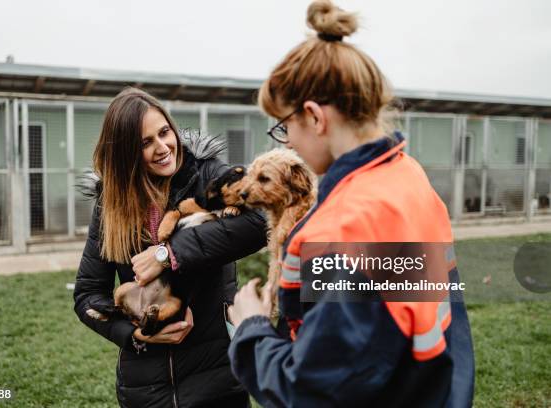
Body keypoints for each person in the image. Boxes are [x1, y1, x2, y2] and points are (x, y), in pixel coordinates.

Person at [227, 1, 475, 407]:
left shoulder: (342, 230)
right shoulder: (409, 177)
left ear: (314, 116)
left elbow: (311, 391)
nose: (286, 141)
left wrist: (252, 327)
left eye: (284, 126)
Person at [73, 87, 267, 407]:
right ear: (126, 154)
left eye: (164, 132)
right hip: (146, 387)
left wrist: (169, 253)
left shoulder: (206, 174)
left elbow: (262, 218)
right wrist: (134, 334)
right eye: (145, 143)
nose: (163, 147)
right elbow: (87, 295)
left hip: (215, 378)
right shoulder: (110, 205)